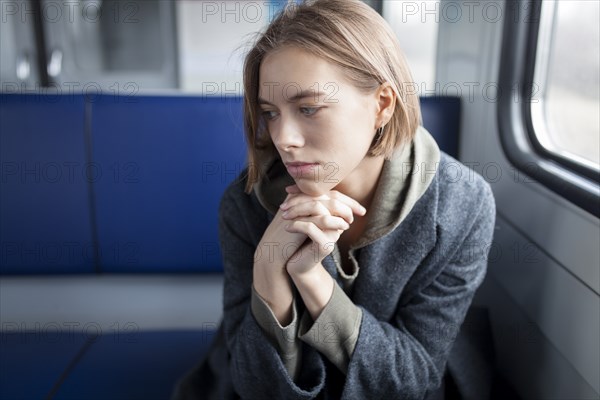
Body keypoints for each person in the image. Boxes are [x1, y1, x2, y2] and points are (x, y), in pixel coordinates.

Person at [172, 0, 496, 399]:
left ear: (382, 104)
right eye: (270, 113)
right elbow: (255, 386)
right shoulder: (244, 205)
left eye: (308, 108)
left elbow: (414, 380)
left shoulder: (462, 204)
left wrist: (314, 282)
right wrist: (269, 272)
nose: (284, 138)